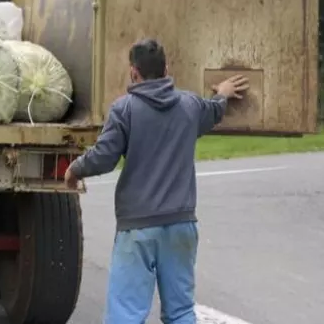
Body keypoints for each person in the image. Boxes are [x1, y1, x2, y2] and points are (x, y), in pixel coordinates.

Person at [64, 39, 249, 324]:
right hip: (181, 225)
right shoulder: (189, 105)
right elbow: (213, 110)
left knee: (125, 314)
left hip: (137, 230)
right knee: (181, 312)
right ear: (166, 68)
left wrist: (75, 169)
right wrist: (223, 93)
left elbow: (104, 156)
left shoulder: (124, 110)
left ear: (133, 72)